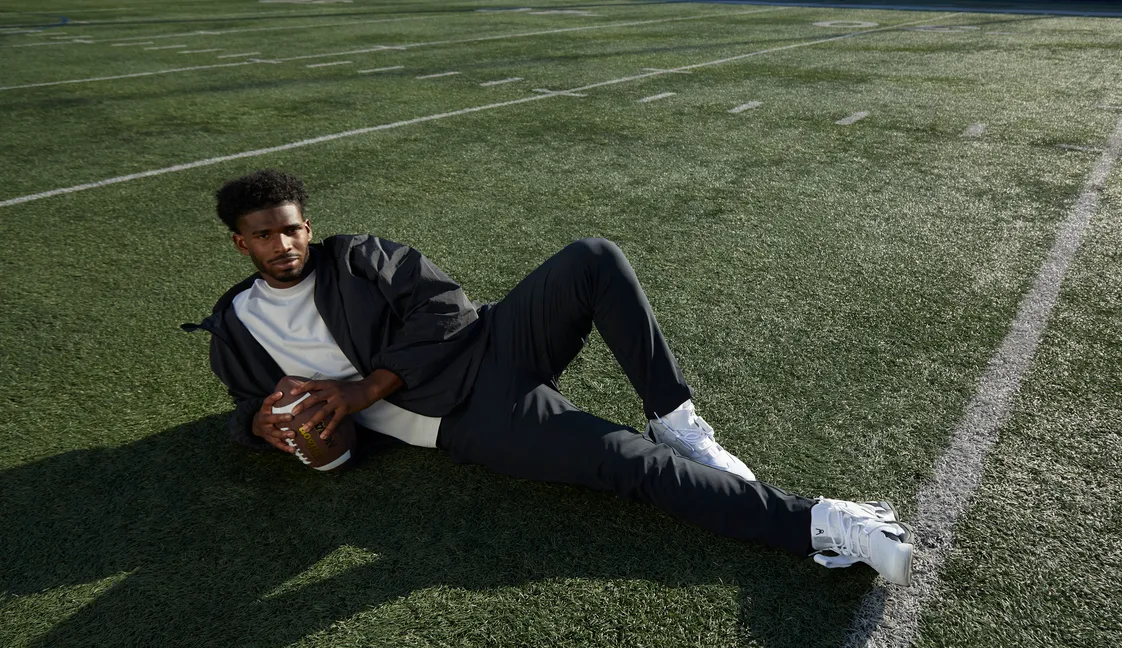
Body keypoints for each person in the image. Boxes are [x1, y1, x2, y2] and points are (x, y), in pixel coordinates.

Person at [184, 169, 915, 586]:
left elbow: (442, 307)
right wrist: (266, 426)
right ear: (238, 241)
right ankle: (823, 522)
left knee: (593, 257)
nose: (283, 245)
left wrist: (362, 388)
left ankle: (682, 422)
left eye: (292, 227)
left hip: (491, 337)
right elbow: (250, 405)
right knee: (631, 464)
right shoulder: (240, 321)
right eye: (264, 234)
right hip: (469, 418)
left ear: (307, 224)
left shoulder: (357, 256)